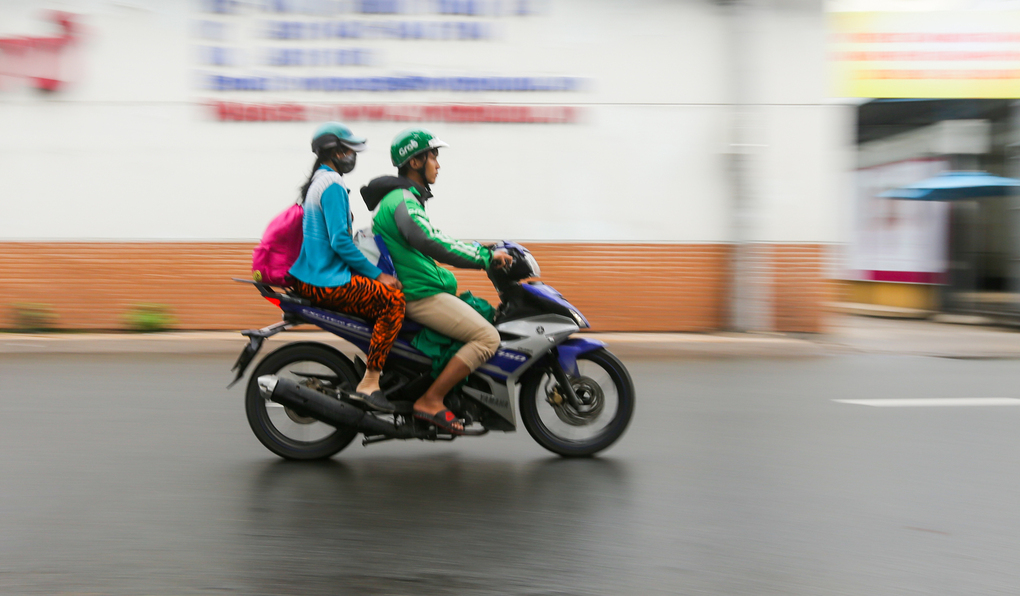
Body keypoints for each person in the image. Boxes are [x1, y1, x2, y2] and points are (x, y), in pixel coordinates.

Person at [361, 128, 512, 434]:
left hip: (424, 289)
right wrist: (483, 260)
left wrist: (481, 249)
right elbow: (430, 241)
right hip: (419, 295)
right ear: (415, 161)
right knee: (487, 338)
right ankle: (431, 400)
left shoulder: (407, 199)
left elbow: (437, 237)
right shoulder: (401, 200)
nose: (438, 165)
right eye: (434, 157)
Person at [288, 122, 405, 413]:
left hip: (312, 276)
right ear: (336, 152)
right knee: (393, 301)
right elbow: (340, 242)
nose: (353, 155)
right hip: (327, 280)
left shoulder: (319, 181)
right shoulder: (333, 184)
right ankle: (371, 381)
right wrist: (379, 275)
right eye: (348, 150)